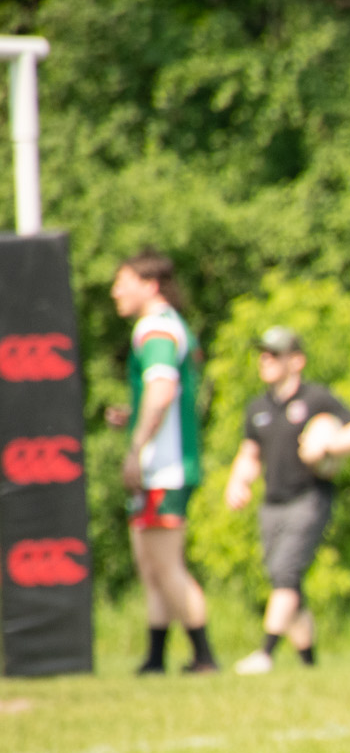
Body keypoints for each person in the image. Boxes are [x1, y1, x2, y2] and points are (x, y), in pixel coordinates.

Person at [222, 326, 350, 674]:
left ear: (297, 361)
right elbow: (250, 453)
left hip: (308, 499)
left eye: (274, 354)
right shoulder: (258, 407)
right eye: (263, 353)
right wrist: (238, 481)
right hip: (271, 502)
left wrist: (330, 446)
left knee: (285, 572)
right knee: (288, 585)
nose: (266, 360)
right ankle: (309, 665)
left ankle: (265, 653)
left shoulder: (316, 399)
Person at [107, 250, 217, 675]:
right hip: (163, 465)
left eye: (123, 281)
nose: (116, 291)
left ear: (149, 284)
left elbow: (162, 390)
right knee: (150, 565)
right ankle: (155, 659)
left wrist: (136, 447)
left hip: (165, 468)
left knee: (166, 565)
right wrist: (133, 416)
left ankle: (204, 656)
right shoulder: (167, 325)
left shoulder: (155, 328)